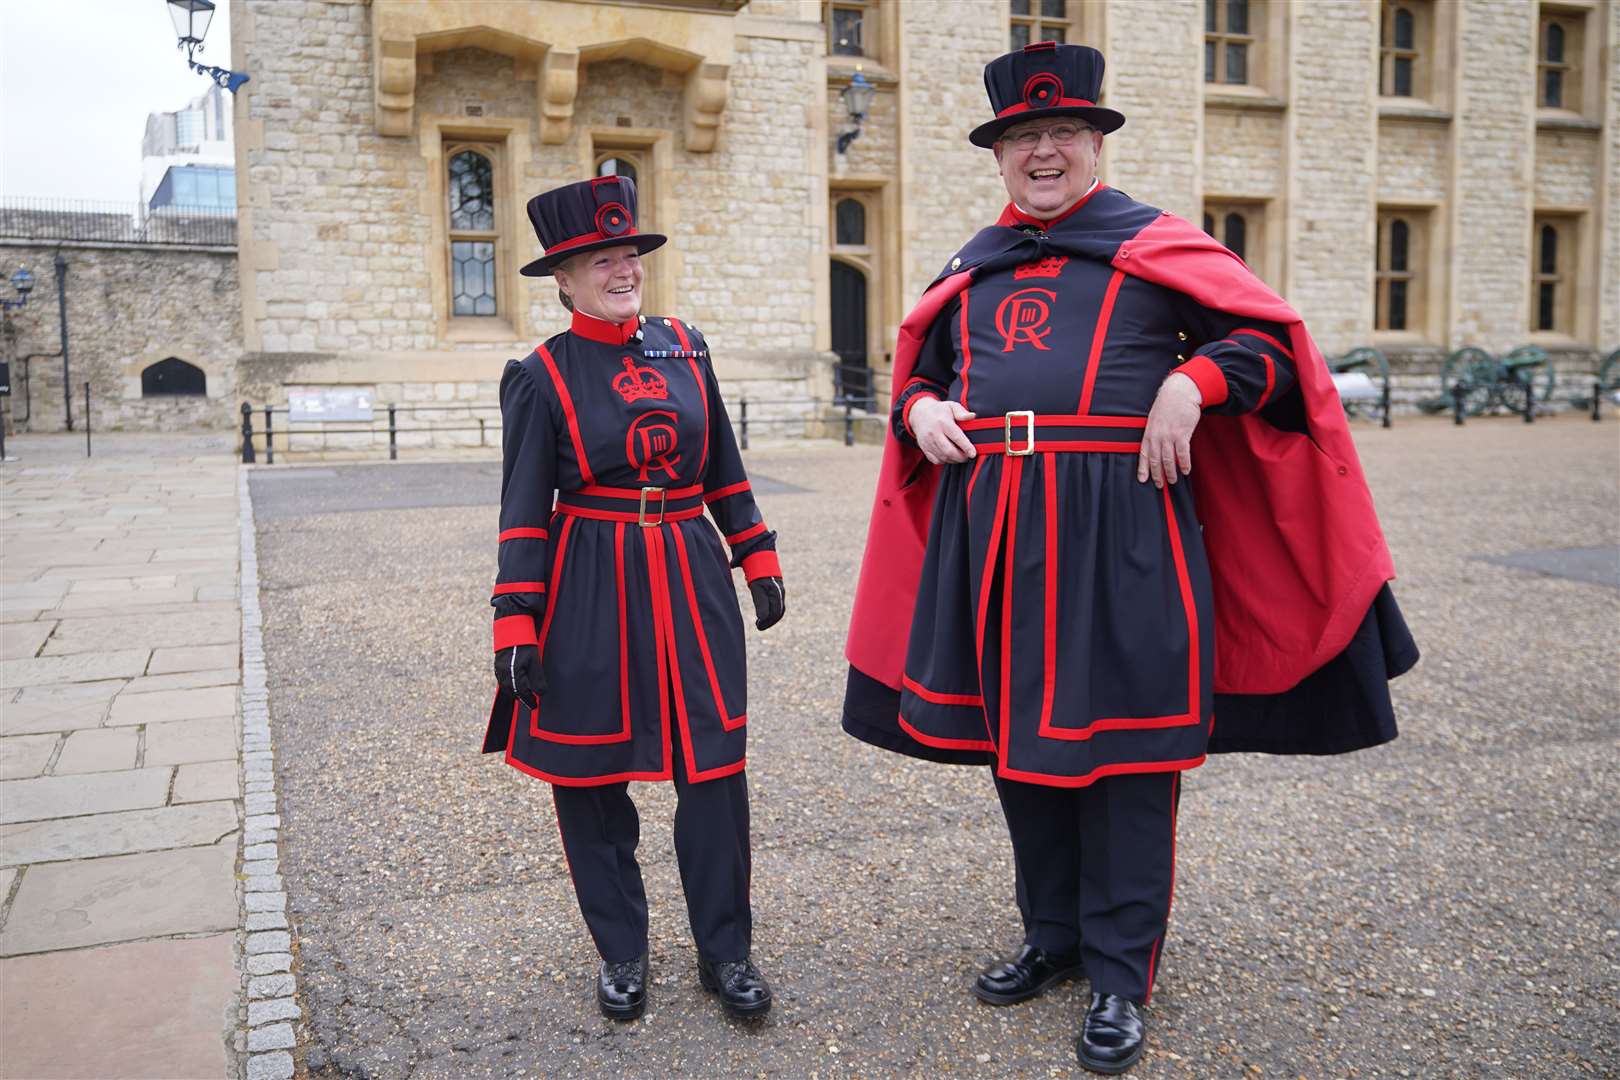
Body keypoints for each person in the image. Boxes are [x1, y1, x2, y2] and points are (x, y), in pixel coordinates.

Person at [841, 43, 1417, 1074]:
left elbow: (1272, 351)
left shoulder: (1160, 246)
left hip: (1129, 537)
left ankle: (1118, 973)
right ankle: (1054, 937)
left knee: (1128, 763)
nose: (1044, 152)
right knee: (1019, 754)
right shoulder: (971, 267)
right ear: (1001, 157)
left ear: (1096, 142)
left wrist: (1194, 382)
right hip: (999, 538)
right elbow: (916, 376)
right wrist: (922, 407)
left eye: (1063, 134)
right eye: (1024, 139)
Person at [483, 175, 786, 1023]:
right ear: (564, 279)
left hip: (692, 577)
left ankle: (726, 952)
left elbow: (721, 462)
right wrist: (516, 618)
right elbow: (522, 509)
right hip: (589, 584)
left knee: (716, 773)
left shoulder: (687, 347)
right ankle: (621, 950)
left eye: (628, 254)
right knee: (588, 778)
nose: (620, 270)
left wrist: (755, 554)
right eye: (598, 259)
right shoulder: (540, 375)